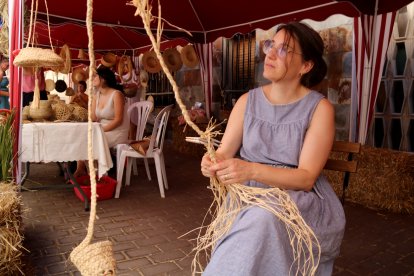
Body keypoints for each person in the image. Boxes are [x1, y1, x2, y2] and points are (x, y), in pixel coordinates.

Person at [200, 22, 345, 275]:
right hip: (248, 197)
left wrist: (251, 170)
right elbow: (224, 152)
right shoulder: (247, 101)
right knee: (257, 220)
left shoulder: (319, 109)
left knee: (263, 219)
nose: (270, 53)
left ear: (306, 66)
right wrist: (212, 161)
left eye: (284, 49)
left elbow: (306, 178)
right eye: (270, 45)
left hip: (295, 201)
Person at [74, 67, 129, 177]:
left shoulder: (116, 94)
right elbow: (93, 117)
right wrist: (81, 107)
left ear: (103, 79)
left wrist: (100, 130)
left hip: (117, 131)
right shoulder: (96, 95)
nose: (92, 79)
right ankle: (82, 169)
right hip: (102, 128)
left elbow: (118, 120)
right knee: (81, 135)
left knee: (92, 140)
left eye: (95, 76)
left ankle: (98, 174)